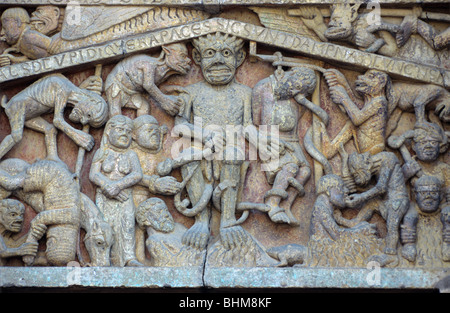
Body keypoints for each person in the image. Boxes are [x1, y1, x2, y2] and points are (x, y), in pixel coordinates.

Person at [89, 115, 143, 267]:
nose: (124, 134)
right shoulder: (102, 153)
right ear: (108, 132)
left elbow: (137, 174)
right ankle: (106, 259)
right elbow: (93, 174)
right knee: (105, 226)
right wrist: (107, 186)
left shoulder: (131, 154)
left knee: (128, 225)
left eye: (128, 131)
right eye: (120, 130)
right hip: (104, 197)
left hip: (125, 197)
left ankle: (129, 258)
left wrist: (118, 186)